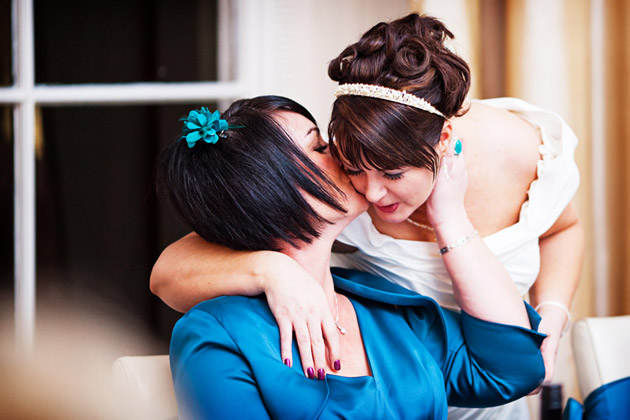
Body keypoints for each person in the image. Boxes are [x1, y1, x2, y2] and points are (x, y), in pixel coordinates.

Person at [151, 13, 584, 419]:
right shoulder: (219, 335)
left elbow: (514, 371)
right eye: (321, 147)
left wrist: (450, 220)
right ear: (264, 187)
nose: (356, 170)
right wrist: (272, 270)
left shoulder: (389, 310)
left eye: (391, 171)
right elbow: (168, 273)